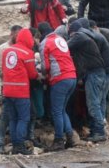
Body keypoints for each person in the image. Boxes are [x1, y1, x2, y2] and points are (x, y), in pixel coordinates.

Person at [37, 22, 77, 151]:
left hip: (60, 79)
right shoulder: (61, 39)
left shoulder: (45, 43)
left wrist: (42, 73)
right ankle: (70, 138)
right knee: (62, 110)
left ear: (40, 34)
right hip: (72, 76)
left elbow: (46, 67)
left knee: (56, 112)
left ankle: (59, 140)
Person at [67, 21, 107, 142]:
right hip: (95, 73)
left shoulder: (79, 36)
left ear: (72, 32)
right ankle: (95, 130)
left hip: (94, 73)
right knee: (94, 103)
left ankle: (99, 132)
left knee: (93, 103)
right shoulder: (85, 37)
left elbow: (63, 47)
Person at [2, 28, 38, 155]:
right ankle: (20, 146)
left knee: (13, 119)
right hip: (21, 91)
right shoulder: (27, 53)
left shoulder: (7, 51)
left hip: (7, 90)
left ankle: (15, 145)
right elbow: (33, 74)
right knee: (23, 118)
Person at [76, 18, 109, 119]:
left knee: (99, 97)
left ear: (95, 28)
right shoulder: (91, 37)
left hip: (108, 68)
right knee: (100, 97)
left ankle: (100, 123)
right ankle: (102, 121)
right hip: (101, 69)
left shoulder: (106, 35)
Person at [0, 25, 22, 154]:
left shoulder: (21, 48)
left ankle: (18, 141)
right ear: (11, 34)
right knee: (6, 115)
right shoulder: (3, 49)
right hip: (8, 87)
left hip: (22, 88)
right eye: (17, 35)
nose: (19, 37)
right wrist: (13, 76)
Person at [89, 20, 109, 118]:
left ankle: (105, 116)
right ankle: (101, 117)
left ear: (96, 28)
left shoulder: (108, 34)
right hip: (101, 64)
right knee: (102, 92)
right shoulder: (91, 36)